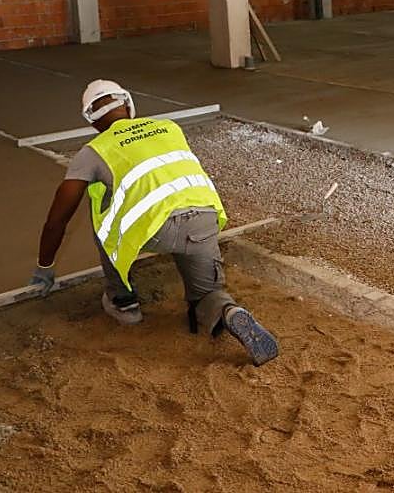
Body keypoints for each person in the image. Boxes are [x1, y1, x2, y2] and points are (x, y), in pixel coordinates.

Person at [31, 80, 279, 366]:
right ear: (128, 104)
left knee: (98, 202)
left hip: (157, 231)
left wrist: (45, 266)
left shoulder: (93, 151)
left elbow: (58, 219)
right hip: (204, 221)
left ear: (91, 120)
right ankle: (229, 312)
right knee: (206, 293)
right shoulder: (170, 128)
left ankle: (124, 303)